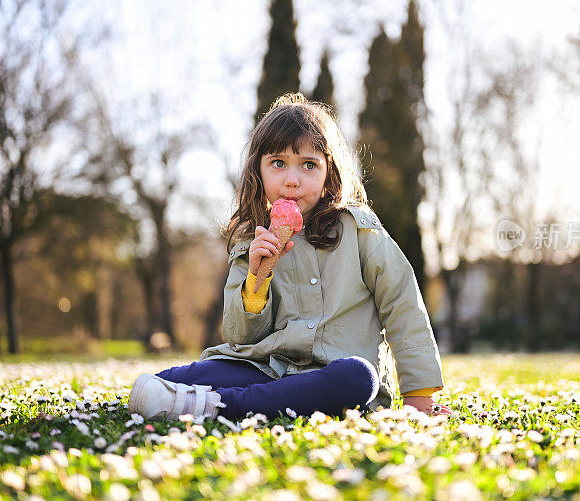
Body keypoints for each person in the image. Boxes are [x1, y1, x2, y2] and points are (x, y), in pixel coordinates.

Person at [128, 93, 452, 422]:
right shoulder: (250, 242)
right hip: (266, 369)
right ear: (259, 170)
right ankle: (210, 397)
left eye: (309, 165)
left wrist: (418, 397)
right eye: (278, 163)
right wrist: (257, 279)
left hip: (333, 378)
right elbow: (241, 338)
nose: (292, 180)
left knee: (358, 377)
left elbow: (403, 307)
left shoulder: (360, 231)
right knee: (167, 379)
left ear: (330, 174)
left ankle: (218, 406)